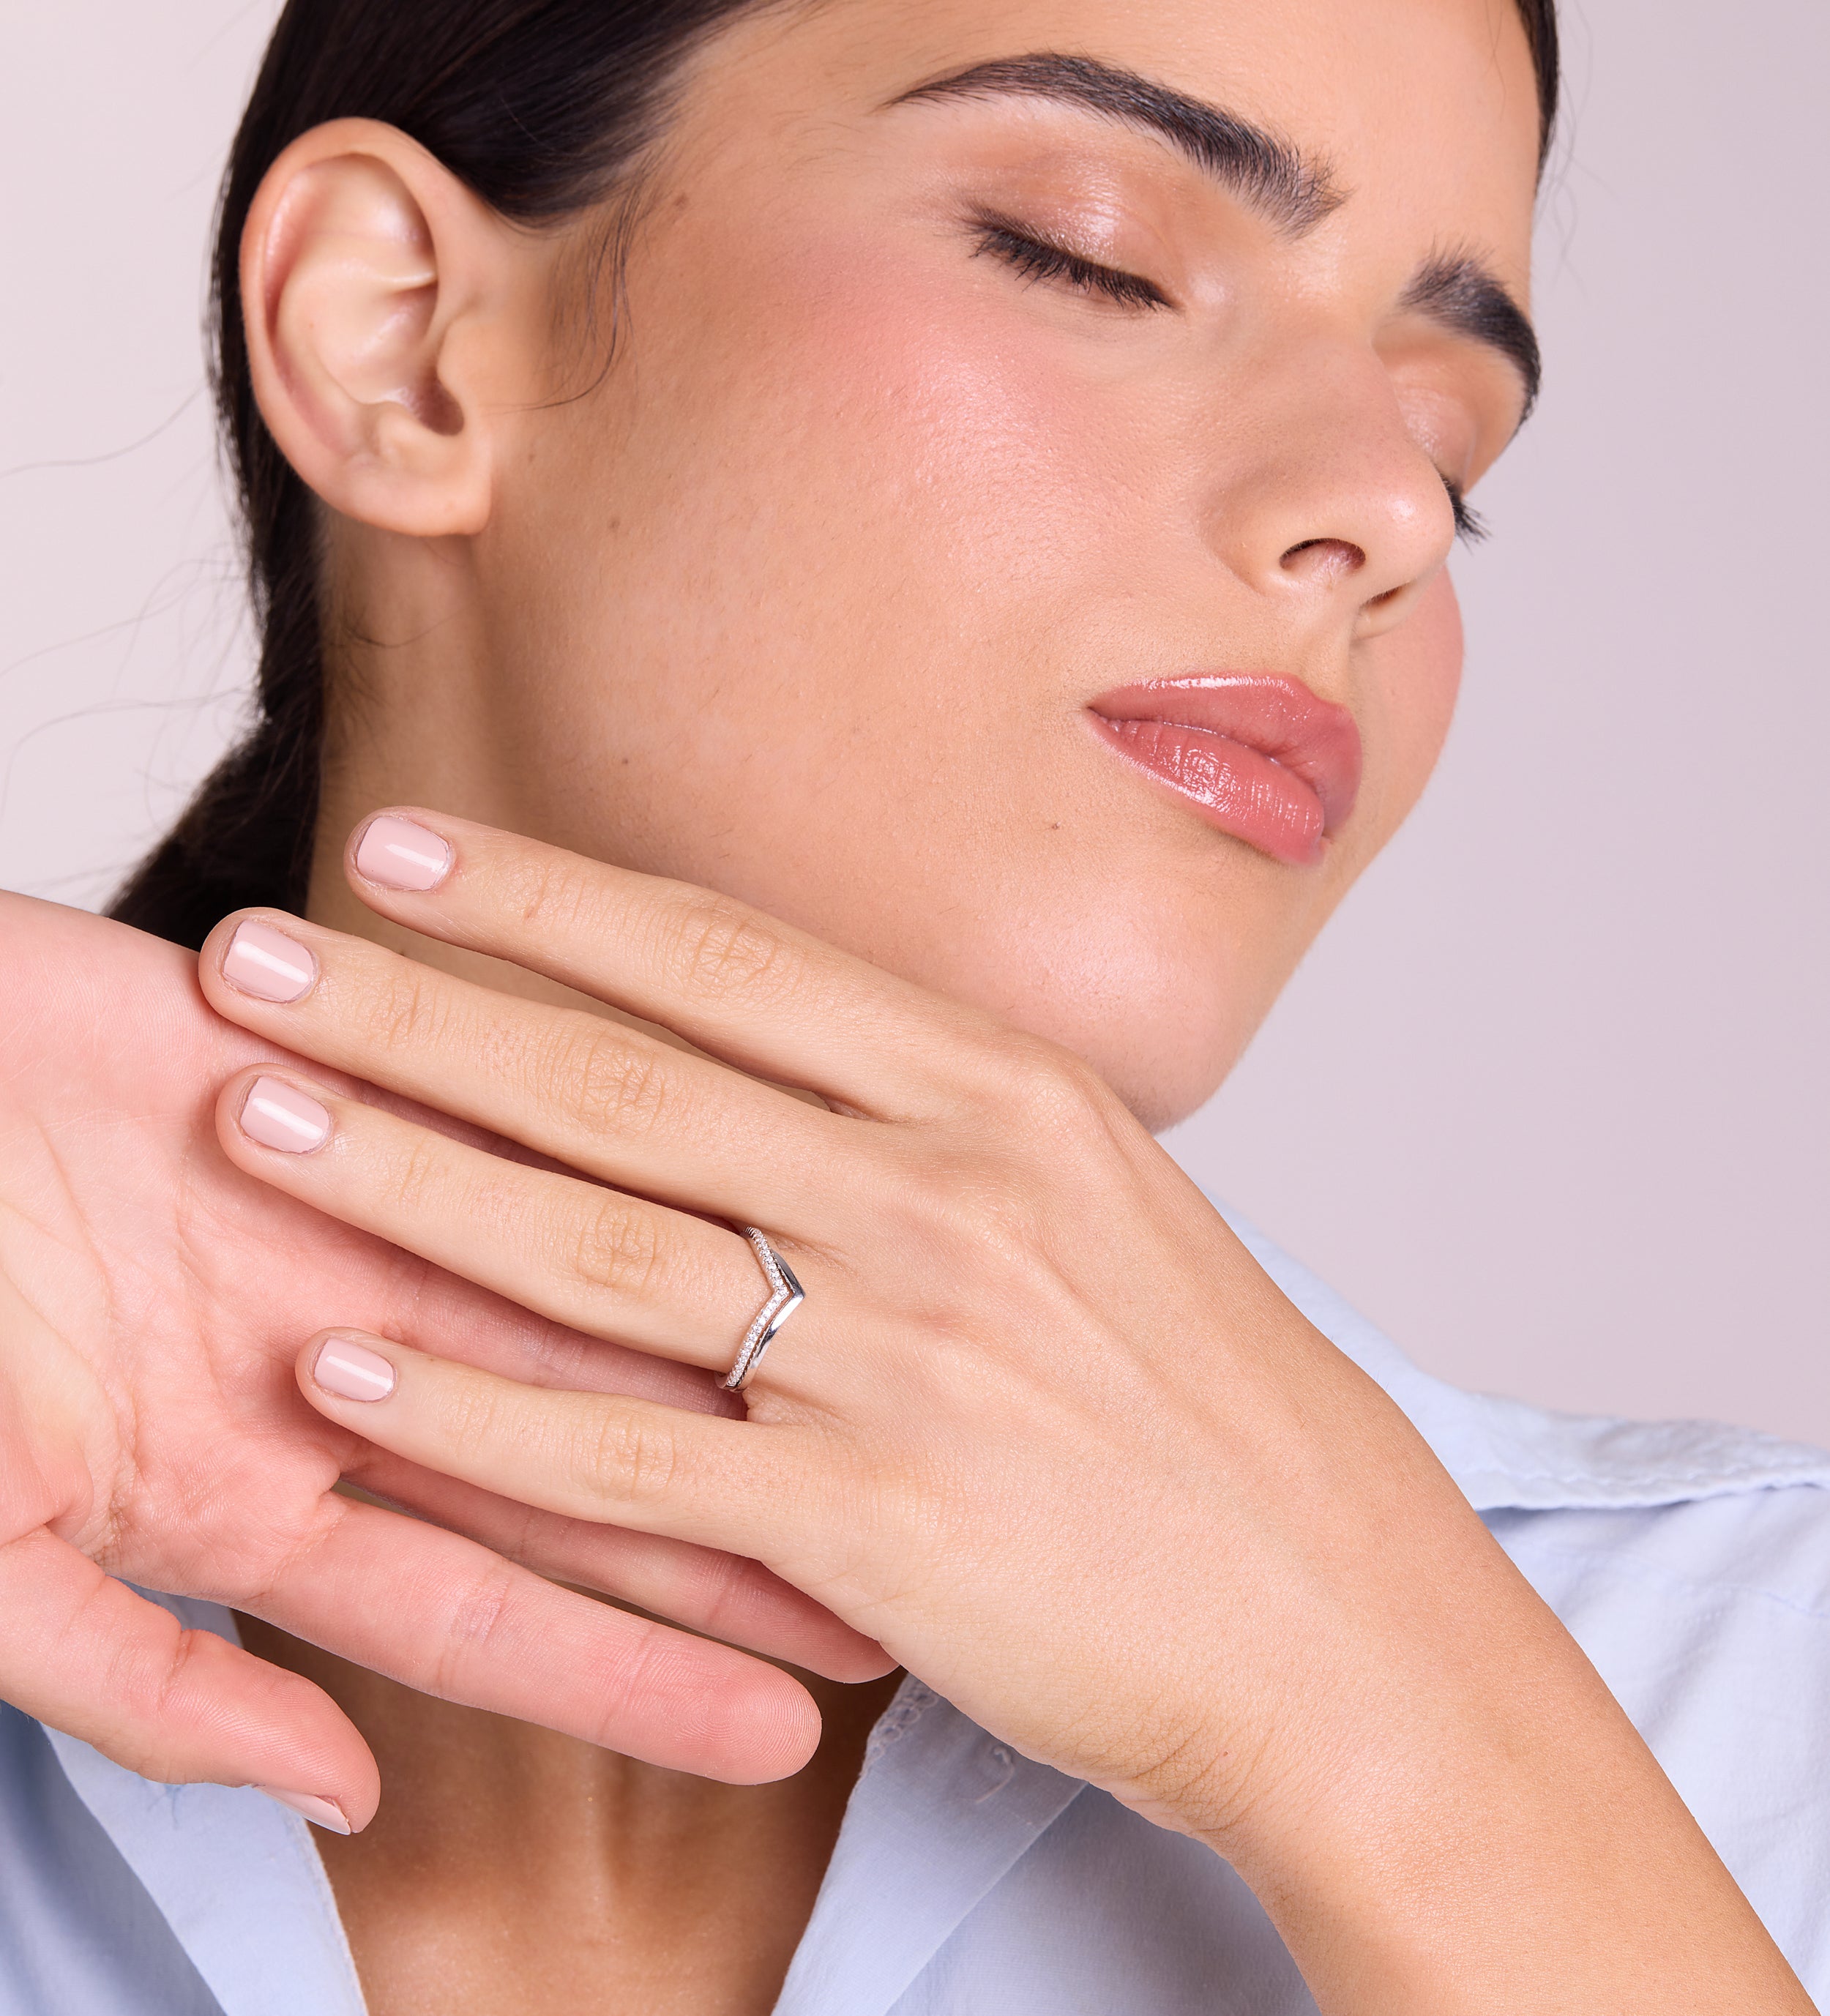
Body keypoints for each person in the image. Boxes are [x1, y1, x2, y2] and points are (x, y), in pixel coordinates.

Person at [0, 0, 1823, 2010]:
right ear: (403, 336)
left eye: (1447, 440)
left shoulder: (1752, 1692)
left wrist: (1388, 1734)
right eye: (1092, 253)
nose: (1383, 514)